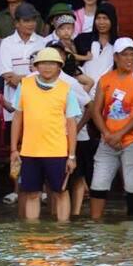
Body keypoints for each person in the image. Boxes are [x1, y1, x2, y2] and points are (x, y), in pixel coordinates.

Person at [10, 45, 80, 222]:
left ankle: (63, 232)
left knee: (61, 192)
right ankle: (32, 233)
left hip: (57, 151)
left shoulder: (66, 88)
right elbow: (17, 118)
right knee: (32, 193)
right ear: (36, 66)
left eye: (52, 63)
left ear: (59, 66)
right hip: (29, 151)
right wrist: (13, 149)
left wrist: (71, 155)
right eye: (43, 63)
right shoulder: (24, 85)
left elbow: (71, 124)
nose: (47, 67)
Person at [85, 38, 133, 220]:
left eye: (132, 54)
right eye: (125, 55)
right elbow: (95, 109)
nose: (129, 59)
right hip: (108, 139)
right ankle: (95, 223)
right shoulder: (106, 79)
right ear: (116, 57)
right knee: (98, 181)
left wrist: (120, 134)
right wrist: (106, 133)